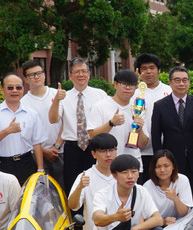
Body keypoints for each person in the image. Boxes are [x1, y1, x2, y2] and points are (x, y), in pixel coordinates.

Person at [49, 58, 108, 197]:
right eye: (76, 72)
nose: (81, 75)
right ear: (70, 75)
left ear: (89, 74)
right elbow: (53, 119)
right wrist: (56, 100)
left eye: (83, 71)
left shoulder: (100, 95)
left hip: (95, 145)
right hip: (72, 148)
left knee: (96, 185)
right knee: (72, 185)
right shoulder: (64, 96)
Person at [150, 66, 193, 198]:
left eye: (185, 80)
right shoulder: (160, 105)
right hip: (172, 160)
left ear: (189, 82)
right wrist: (159, 160)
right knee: (175, 196)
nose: (181, 84)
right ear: (170, 82)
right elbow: (155, 135)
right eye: (177, 80)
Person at [0, 72, 46, 185]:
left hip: (26, 162)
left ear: (23, 89)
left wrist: (40, 169)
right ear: (2, 90)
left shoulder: (31, 114)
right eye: (10, 88)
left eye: (18, 88)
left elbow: (37, 143)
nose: (15, 91)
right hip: (2, 164)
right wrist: (7, 131)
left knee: (26, 195)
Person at [88, 70, 148, 170]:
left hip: (133, 167)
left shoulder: (138, 108)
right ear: (115, 84)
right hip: (108, 167)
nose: (128, 88)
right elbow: (92, 135)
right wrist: (111, 123)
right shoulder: (100, 106)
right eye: (124, 84)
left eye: (131, 85)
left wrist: (140, 130)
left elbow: (143, 145)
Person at [68, 133, 118, 230]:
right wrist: (80, 187)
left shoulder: (123, 175)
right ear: (93, 154)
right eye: (103, 151)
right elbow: (73, 206)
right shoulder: (85, 176)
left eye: (112, 150)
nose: (108, 154)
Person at [20, 59, 64, 185]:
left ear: (44, 75)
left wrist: (56, 146)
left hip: (61, 152)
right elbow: (24, 133)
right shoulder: (23, 103)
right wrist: (44, 151)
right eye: (31, 75)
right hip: (37, 155)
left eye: (39, 73)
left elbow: (67, 123)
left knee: (63, 189)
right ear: (26, 79)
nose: (36, 77)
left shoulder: (58, 94)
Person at [134, 53, 172, 181]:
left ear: (159, 70)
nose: (148, 71)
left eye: (152, 68)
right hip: (140, 152)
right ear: (139, 71)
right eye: (144, 68)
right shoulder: (134, 93)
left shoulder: (169, 91)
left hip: (165, 150)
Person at [143, 149, 192, 226]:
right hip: (156, 226)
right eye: (158, 167)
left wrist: (175, 198)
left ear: (173, 166)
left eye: (166, 166)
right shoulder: (147, 187)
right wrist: (163, 222)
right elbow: (144, 219)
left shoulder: (182, 180)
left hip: (179, 224)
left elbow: (183, 213)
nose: (162, 170)